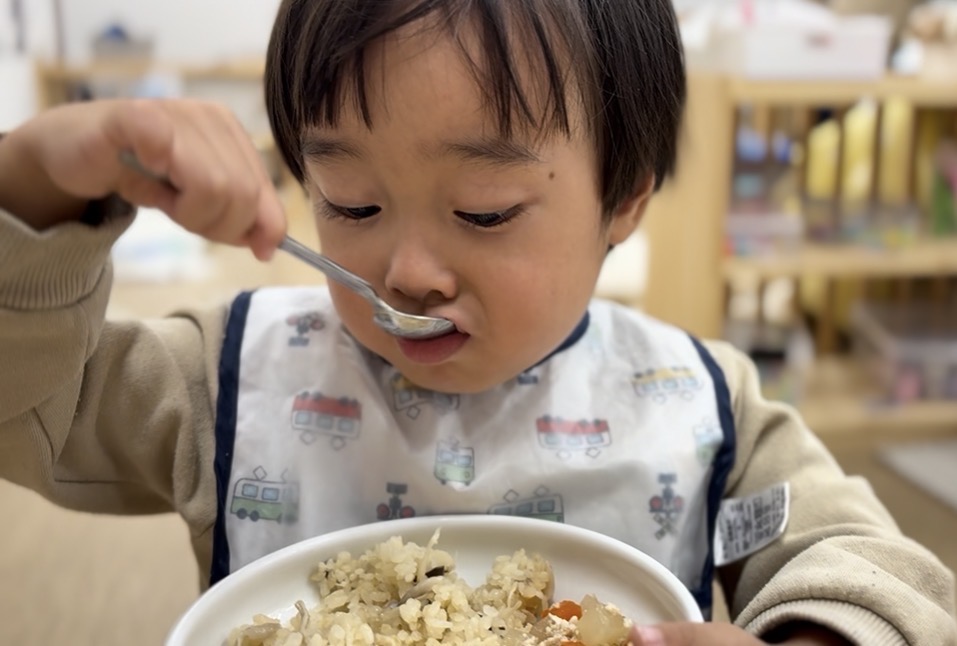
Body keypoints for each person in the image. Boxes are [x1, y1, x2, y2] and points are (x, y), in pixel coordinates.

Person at [0, 1, 954, 644]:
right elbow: (29, 403)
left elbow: (867, 561)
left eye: (486, 212)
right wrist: (36, 190)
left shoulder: (698, 404)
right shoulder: (227, 375)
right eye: (351, 204)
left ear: (623, 198)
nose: (407, 274)